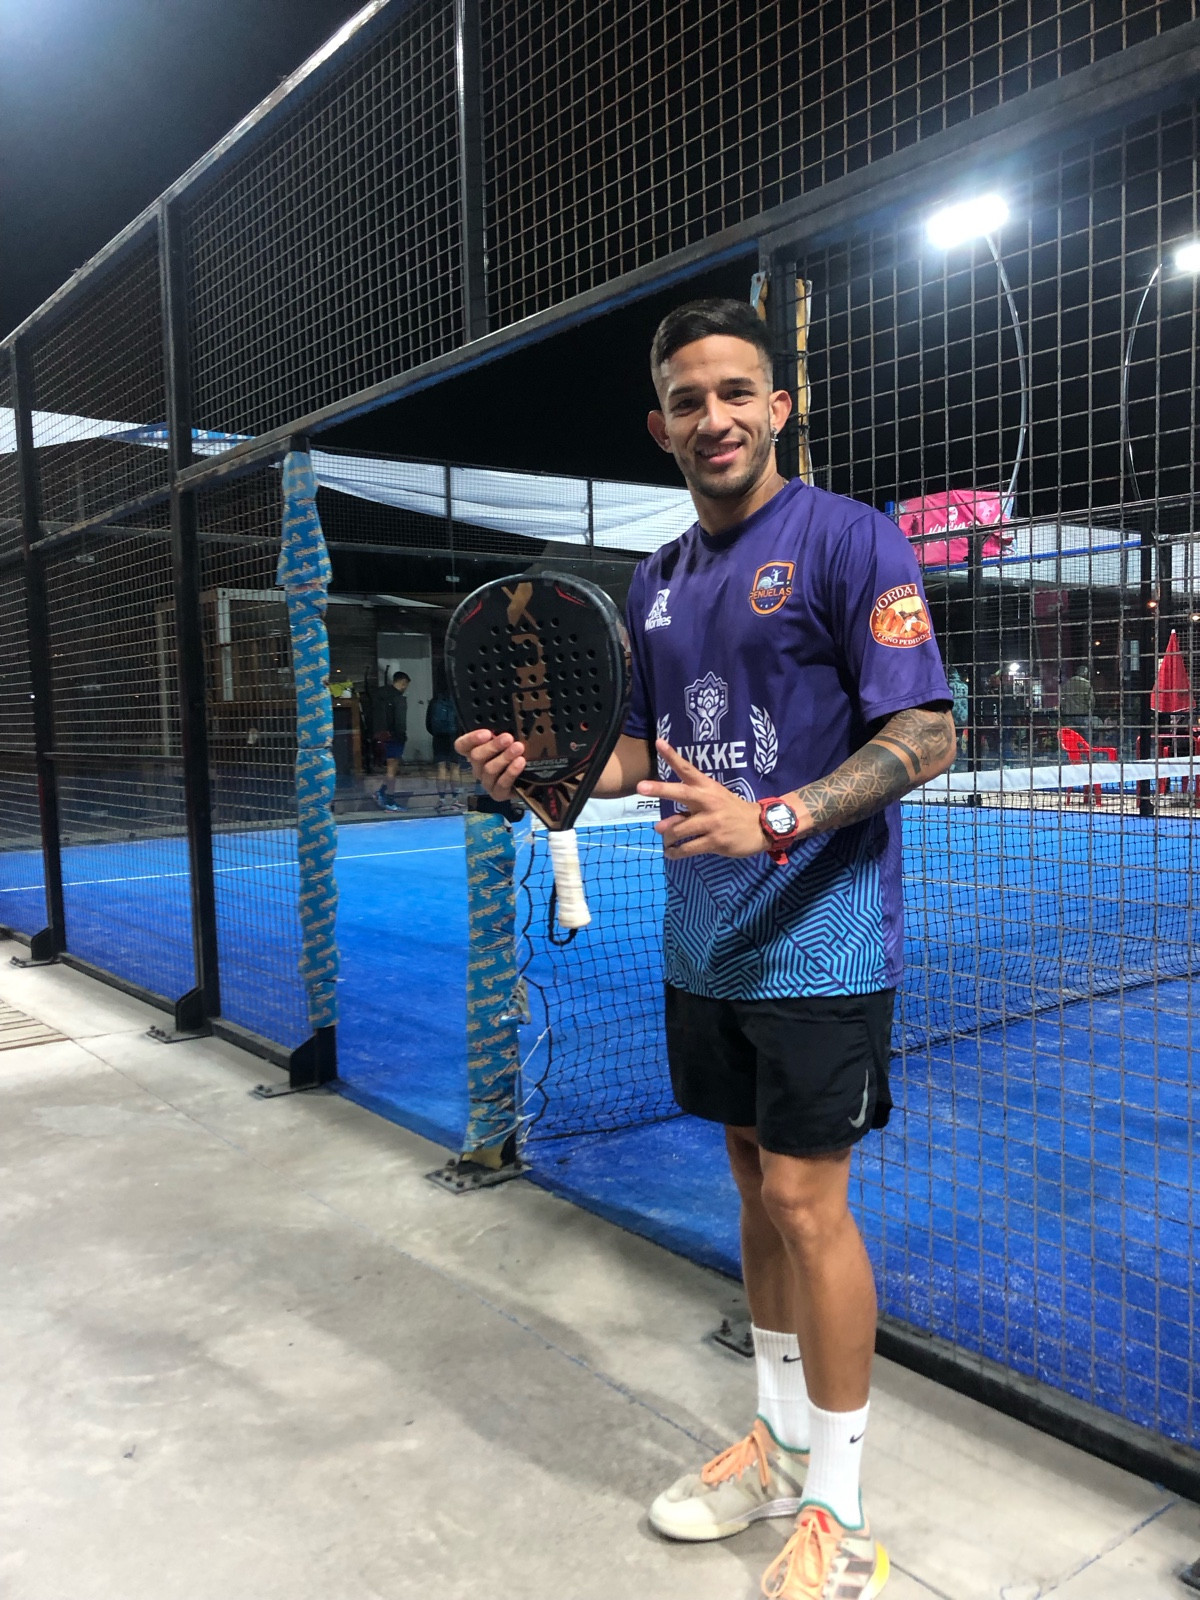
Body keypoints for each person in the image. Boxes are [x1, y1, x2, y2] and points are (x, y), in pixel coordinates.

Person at [457, 298, 954, 1599]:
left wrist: (776, 817)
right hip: (705, 944)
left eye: (738, 392)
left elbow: (927, 732)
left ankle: (840, 1511)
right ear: (660, 425)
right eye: (689, 399)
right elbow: (634, 753)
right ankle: (778, 1449)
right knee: (749, 1182)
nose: (715, 417)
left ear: (779, 406)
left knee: (806, 1201)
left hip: (824, 939)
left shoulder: (851, 539)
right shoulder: (657, 579)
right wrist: (539, 767)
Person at [374, 670, 410, 810]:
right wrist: (402, 736)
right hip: (395, 736)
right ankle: (389, 800)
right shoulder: (398, 699)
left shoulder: (379, 696)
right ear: (403, 683)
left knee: (391, 766)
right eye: (406, 685)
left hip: (381, 736)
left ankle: (382, 792)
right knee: (392, 768)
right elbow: (400, 721)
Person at [427, 675, 464, 810]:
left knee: (441, 768)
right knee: (455, 767)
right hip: (454, 737)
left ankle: (441, 799)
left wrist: (436, 733)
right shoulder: (457, 700)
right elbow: (461, 720)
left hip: (439, 738)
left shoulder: (434, 701)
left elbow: (428, 723)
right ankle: (455, 799)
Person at [1060, 666, 1094, 742]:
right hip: (1082, 714)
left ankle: (1072, 749)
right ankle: (1086, 748)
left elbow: (1062, 700)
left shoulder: (1067, 684)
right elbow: (1091, 701)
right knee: (1085, 736)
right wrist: (1090, 711)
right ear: (1085, 674)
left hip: (1069, 714)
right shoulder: (1086, 684)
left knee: (1071, 736)